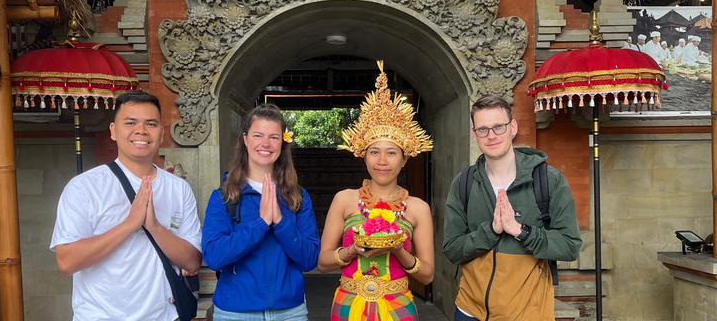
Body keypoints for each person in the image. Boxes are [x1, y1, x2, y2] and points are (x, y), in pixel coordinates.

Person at [51, 91, 202, 321]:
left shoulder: (178, 189)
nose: (141, 130)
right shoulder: (84, 187)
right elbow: (67, 261)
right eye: (130, 122)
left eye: (151, 124)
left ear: (161, 133)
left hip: (163, 316)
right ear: (113, 131)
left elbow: (192, 260)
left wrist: (154, 227)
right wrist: (130, 223)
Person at [443, 95, 581, 321]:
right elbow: (452, 248)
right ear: (474, 134)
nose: (492, 135)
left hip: (526, 312)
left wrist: (520, 231)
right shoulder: (464, 182)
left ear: (513, 127)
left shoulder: (548, 180)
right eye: (483, 129)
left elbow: (569, 247)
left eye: (499, 127)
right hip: (470, 311)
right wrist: (491, 231)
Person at [318, 60, 435, 321]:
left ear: (404, 159)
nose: (382, 161)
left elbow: (427, 275)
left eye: (391, 153)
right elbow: (323, 263)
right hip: (349, 305)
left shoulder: (418, 208)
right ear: (364, 156)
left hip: (398, 306)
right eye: (374, 152)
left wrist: (397, 249)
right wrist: (351, 251)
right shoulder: (344, 200)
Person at [202, 103, 320, 321]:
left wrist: (281, 223)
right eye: (258, 135)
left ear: (283, 143)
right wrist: (261, 223)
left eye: (274, 137)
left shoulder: (298, 197)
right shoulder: (224, 197)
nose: (266, 144)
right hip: (235, 313)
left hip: (290, 313)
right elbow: (214, 258)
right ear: (245, 139)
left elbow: (309, 260)